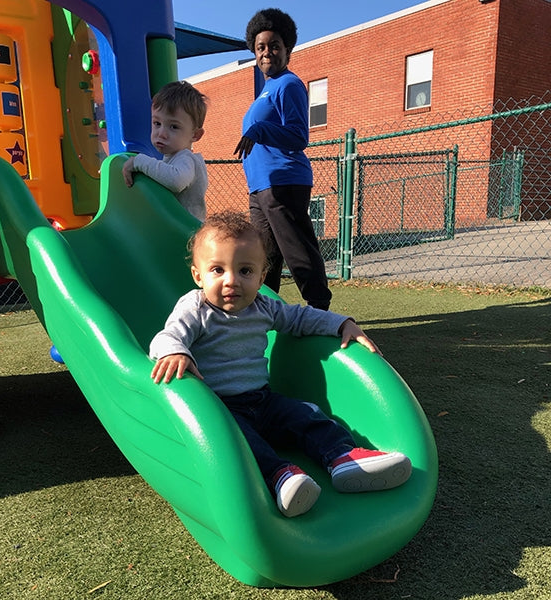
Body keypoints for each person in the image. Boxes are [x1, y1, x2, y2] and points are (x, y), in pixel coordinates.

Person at [149, 211, 412, 518]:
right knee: (242, 444)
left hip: (263, 400)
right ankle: (281, 476)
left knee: (306, 415)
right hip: (220, 408)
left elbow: (300, 318)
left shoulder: (263, 306)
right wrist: (175, 352)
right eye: (217, 270)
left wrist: (342, 324)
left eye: (245, 271)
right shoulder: (195, 308)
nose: (231, 281)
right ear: (198, 276)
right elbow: (167, 336)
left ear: (262, 278)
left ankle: (342, 457)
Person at [234, 8, 331, 310]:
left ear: (287, 49)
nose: (267, 52)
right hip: (260, 187)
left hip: (285, 182)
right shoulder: (266, 91)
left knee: (297, 250)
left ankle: (319, 310)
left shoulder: (289, 84)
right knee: (263, 258)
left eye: (274, 45)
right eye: (260, 47)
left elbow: (299, 136)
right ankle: (263, 316)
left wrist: (261, 129)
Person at [123, 80, 208, 221]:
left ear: (195, 135)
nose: (161, 133)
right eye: (157, 123)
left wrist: (139, 161)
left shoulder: (186, 158)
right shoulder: (171, 159)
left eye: (174, 127)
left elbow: (176, 181)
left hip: (186, 235)